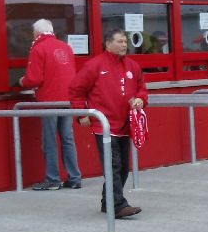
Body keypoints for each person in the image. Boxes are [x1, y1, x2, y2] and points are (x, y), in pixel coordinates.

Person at [68, 28, 147, 219]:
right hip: (103, 125)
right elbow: (76, 90)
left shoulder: (132, 66)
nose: (124, 45)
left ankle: (107, 202)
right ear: (108, 44)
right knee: (113, 166)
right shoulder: (94, 65)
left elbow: (141, 88)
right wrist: (82, 114)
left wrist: (141, 100)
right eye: (119, 41)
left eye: (125, 42)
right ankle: (118, 205)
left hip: (125, 124)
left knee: (123, 168)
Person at [20, 19, 81, 190]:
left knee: (50, 140)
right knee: (68, 138)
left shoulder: (38, 48)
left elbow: (35, 78)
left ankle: (53, 179)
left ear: (36, 33)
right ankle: (74, 177)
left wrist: (22, 81)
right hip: (67, 99)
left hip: (49, 100)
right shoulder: (65, 47)